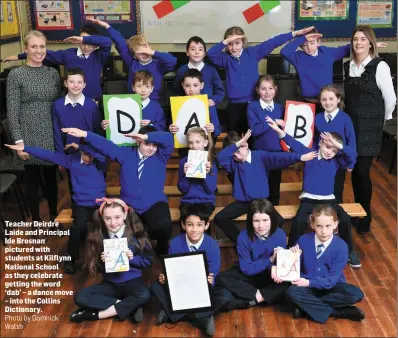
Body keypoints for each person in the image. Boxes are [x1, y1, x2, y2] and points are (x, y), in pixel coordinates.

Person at [62, 126, 174, 255]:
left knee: (164, 226)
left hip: (154, 203)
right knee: (121, 232)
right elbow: (106, 146)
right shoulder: (126, 154)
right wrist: (85, 133)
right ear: (138, 141)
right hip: (129, 205)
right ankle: (135, 252)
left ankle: (161, 247)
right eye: (147, 144)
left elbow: (168, 138)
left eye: (155, 145)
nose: (151, 148)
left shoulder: (161, 156)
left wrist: (146, 137)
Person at [266, 117, 361, 268]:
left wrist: (338, 145)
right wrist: (279, 131)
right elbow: (293, 143)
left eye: (334, 150)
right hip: (309, 199)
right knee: (298, 222)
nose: (331, 152)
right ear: (321, 143)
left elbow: (352, 156)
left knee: (345, 219)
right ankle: (290, 254)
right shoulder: (310, 154)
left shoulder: (337, 160)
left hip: (328, 200)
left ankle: (349, 251)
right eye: (329, 147)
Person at [5, 142, 106, 274]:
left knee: (105, 228)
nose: (90, 158)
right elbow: (48, 155)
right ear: (80, 152)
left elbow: (106, 151)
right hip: (81, 204)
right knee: (77, 228)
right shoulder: (71, 160)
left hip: (100, 204)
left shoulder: (100, 161)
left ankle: (106, 260)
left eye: (92, 154)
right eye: (87, 154)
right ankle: (70, 260)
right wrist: (25, 148)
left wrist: (82, 147)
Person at [214, 129, 317, 243]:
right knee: (220, 218)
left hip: (261, 202)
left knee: (279, 221)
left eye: (238, 151)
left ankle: (265, 242)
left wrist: (299, 157)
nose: (237, 156)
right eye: (233, 154)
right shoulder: (233, 163)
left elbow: (278, 157)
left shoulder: (259, 156)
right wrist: (238, 144)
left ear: (246, 145)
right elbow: (221, 157)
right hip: (243, 203)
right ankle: (243, 242)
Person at [207, 26, 314, 134]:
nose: (234, 47)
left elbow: (273, 42)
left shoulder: (253, 53)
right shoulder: (225, 58)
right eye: (230, 43)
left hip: (254, 104)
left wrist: (295, 34)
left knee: (255, 137)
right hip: (235, 107)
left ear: (243, 42)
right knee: (235, 139)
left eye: (237, 43)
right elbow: (211, 54)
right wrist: (225, 42)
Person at [343, 25, 397, 234]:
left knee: (362, 172)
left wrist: (383, 120)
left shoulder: (380, 66)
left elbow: (390, 98)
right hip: (351, 126)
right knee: (354, 173)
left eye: (363, 39)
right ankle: (357, 212)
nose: (358, 43)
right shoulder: (348, 66)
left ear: (370, 42)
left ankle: (365, 217)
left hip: (370, 127)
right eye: (356, 39)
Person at [151, 203, 231, 336]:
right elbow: (172, 268)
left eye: (199, 225)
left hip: (201, 290)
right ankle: (201, 318)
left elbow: (214, 274)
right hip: (181, 288)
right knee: (155, 286)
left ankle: (172, 314)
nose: (194, 229)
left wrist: (210, 280)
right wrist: (166, 277)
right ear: (183, 225)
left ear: (206, 225)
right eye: (190, 224)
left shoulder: (212, 246)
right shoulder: (176, 243)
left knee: (225, 295)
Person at [6, 30, 61, 222]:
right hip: (27, 134)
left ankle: (54, 216)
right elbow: (12, 111)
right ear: (26, 49)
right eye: (34, 46)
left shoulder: (53, 73)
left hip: (49, 133)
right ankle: (36, 222)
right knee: (32, 181)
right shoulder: (16, 74)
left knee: (51, 180)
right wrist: (19, 141)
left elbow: (58, 105)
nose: (39, 51)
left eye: (42, 46)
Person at [70, 198, 152, 324]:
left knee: (145, 294)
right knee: (80, 297)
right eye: (108, 218)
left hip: (132, 282)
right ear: (102, 218)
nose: (113, 222)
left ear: (125, 215)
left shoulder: (136, 235)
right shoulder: (98, 237)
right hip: (110, 284)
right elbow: (94, 268)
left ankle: (96, 315)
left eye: (117, 217)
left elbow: (148, 260)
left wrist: (132, 259)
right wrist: (101, 261)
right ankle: (130, 306)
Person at [285, 204, 365, 324]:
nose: (324, 231)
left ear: (335, 224)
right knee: (291, 292)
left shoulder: (341, 246)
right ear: (312, 225)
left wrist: (309, 282)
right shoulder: (303, 240)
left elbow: (332, 279)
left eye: (328, 226)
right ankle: (337, 312)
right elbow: (295, 272)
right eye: (319, 226)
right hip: (308, 287)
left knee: (356, 293)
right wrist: (293, 258)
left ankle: (304, 308)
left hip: (331, 286)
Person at [280, 27, 387, 112]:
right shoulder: (298, 57)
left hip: (328, 102)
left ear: (318, 42)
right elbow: (284, 51)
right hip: (308, 102)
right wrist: (302, 38)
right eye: (304, 45)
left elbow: (345, 49)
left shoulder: (327, 53)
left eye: (312, 43)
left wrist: (369, 46)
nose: (308, 47)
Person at [216, 199, 290, 310]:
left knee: (288, 282)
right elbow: (246, 268)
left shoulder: (279, 234)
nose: (261, 225)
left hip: (269, 274)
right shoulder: (243, 237)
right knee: (222, 278)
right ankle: (261, 297)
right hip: (248, 274)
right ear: (250, 220)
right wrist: (270, 260)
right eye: (256, 221)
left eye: (265, 220)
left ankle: (249, 300)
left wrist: (276, 267)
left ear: (272, 219)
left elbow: (281, 265)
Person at [4, 26, 112, 101]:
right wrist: (19, 56)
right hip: (73, 103)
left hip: (95, 102)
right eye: (82, 43)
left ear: (95, 44)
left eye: (90, 43)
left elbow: (107, 41)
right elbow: (43, 53)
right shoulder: (69, 54)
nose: (86, 47)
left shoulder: (99, 56)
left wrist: (83, 38)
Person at [88, 17, 176, 100]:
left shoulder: (158, 64)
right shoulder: (132, 63)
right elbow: (120, 42)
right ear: (134, 55)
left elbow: (172, 61)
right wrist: (106, 26)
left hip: (153, 102)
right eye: (140, 52)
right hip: (134, 102)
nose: (144, 54)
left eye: (145, 49)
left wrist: (152, 52)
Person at [247, 75, 286, 206]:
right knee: (260, 186)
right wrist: (274, 122)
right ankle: (259, 215)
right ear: (258, 90)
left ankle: (274, 217)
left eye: (270, 88)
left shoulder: (282, 108)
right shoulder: (253, 107)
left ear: (275, 89)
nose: (267, 92)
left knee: (275, 187)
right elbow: (256, 129)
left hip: (278, 153)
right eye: (263, 89)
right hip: (260, 153)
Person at [314, 85, 356, 203]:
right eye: (324, 99)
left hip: (339, 163)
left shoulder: (345, 119)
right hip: (321, 161)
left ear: (338, 99)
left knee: (336, 194)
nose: (327, 102)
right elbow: (314, 138)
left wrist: (351, 162)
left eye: (331, 99)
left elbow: (351, 141)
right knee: (320, 191)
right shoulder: (317, 118)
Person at [52, 67, 101, 154]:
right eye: (72, 82)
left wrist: (90, 153)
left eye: (79, 82)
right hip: (66, 155)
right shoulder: (57, 105)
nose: (76, 85)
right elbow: (57, 133)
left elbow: (96, 132)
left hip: (87, 155)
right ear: (65, 83)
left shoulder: (92, 106)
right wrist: (60, 157)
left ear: (84, 84)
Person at [101, 70, 166, 132]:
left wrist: (151, 125)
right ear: (133, 87)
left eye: (147, 86)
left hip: (148, 142)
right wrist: (107, 125)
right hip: (128, 141)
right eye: (139, 86)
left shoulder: (157, 107)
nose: (143, 90)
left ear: (152, 88)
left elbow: (162, 129)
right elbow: (117, 123)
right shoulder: (123, 105)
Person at [173, 36, 225, 108]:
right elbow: (176, 93)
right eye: (193, 49)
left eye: (200, 50)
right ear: (187, 52)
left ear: (204, 53)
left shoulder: (211, 70)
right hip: (187, 109)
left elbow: (220, 92)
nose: (197, 52)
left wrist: (213, 100)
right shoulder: (181, 71)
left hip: (208, 109)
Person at [178, 127, 217, 219]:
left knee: (199, 219)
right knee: (187, 221)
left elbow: (211, 189)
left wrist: (206, 174)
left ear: (205, 142)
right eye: (191, 142)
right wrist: (185, 175)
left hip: (206, 201)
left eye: (197, 142)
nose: (194, 146)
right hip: (187, 201)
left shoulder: (211, 162)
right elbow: (182, 188)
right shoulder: (184, 161)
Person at [169, 69, 221, 138]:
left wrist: (213, 128)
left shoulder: (208, 103)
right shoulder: (177, 105)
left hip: (205, 145)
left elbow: (218, 130)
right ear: (182, 85)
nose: (191, 89)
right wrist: (171, 129)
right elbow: (172, 128)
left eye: (195, 85)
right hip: (185, 144)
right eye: (187, 86)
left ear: (202, 85)